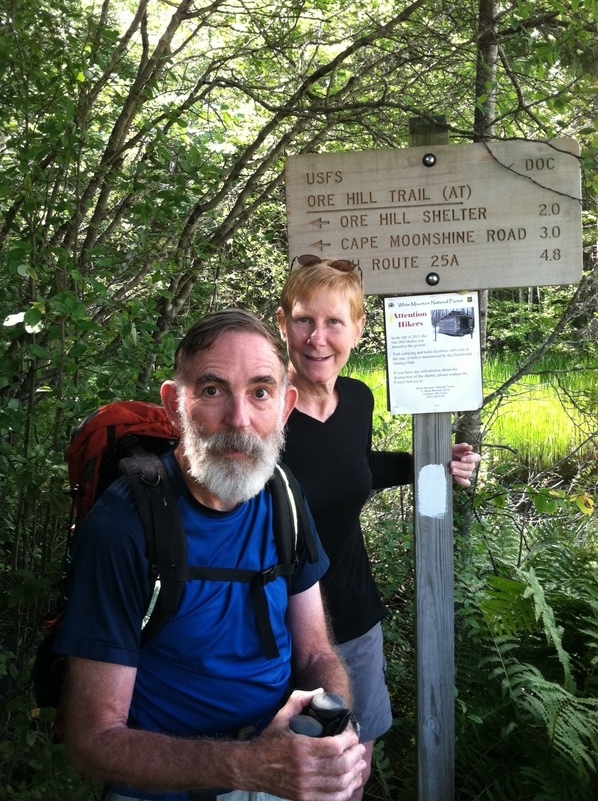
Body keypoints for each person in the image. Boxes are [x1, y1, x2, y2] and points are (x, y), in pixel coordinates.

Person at [54, 309, 366, 801]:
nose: (239, 421)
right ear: (175, 403)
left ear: (285, 406)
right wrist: (249, 766)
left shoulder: (283, 496)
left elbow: (314, 653)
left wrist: (336, 735)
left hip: (280, 769)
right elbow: (93, 740)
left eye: (260, 392)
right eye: (212, 390)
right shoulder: (124, 526)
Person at [277, 255, 481, 799]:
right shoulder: (264, 410)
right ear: (282, 324)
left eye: (334, 322)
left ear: (360, 329)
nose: (317, 338)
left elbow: (355, 470)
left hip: (354, 617)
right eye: (304, 320)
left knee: (352, 768)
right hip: (273, 628)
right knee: (287, 772)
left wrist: (434, 460)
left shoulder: (358, 400)